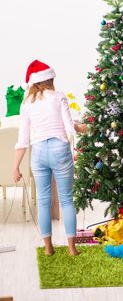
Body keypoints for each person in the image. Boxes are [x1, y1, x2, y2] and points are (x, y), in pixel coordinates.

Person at [13, 60, 87, 255]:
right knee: (66, 200)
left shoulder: (27, 103)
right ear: (49, 79)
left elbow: (23, 139)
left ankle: (48, 248)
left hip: (38, 152)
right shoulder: (59, 97)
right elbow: (70, 128)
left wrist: (15, 167)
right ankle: (72, 249)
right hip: (59, 150)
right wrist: (82, 127)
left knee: (44, 201)